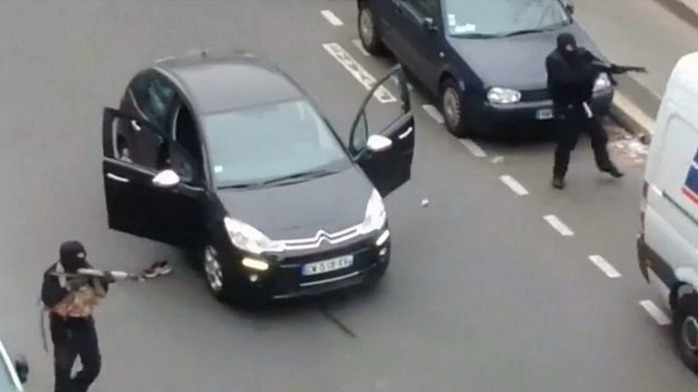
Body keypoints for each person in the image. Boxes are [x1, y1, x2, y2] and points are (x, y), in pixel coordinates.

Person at [545, 33, 645, 189]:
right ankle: (558, 175)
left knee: (599, 135)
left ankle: (604, 163)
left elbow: (600, 64)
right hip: (566, 107)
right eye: (567, 48)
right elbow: (569, 80)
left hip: (583, 105)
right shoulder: (554, 61)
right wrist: (591, 71)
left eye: (573, 46)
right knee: (566, 143)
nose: (571, 50)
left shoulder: (582, 55)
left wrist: (613, 69)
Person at [40, 241, 115, 392]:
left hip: (84, 323)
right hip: (63, 327)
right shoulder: (53, 275)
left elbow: (100, 292)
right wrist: (70, 286)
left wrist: (103, 280)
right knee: (63, 371)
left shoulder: (86, 269)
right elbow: (49, 299)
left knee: (93, 366)